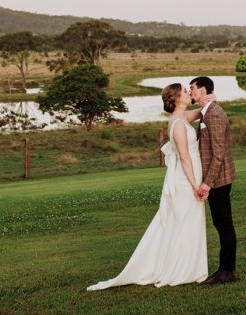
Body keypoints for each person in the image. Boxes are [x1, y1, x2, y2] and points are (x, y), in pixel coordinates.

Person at [86, 83, 208, 290]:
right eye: (186, 92)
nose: (189, 94)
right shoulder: (178, 124)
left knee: (187, 222)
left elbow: (198, 113)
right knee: (183, 222)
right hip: (186, 179)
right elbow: (185, 158)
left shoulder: (181, 118)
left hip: (189, 176)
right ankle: (181, 269)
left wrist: (207, 102)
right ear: (177, 98)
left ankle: (188, 265)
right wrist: (195, 184)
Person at [190, 75, 238, 285]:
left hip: (218, 180)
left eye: (192, 88)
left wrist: (207, 183)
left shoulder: (214, 115)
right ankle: (223, 268)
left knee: (224, 223)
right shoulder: (208, 110)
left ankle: (227, 271)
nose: (190, 91)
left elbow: (218, 154)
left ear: (202, 90)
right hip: (216, 179)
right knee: (221, 223)